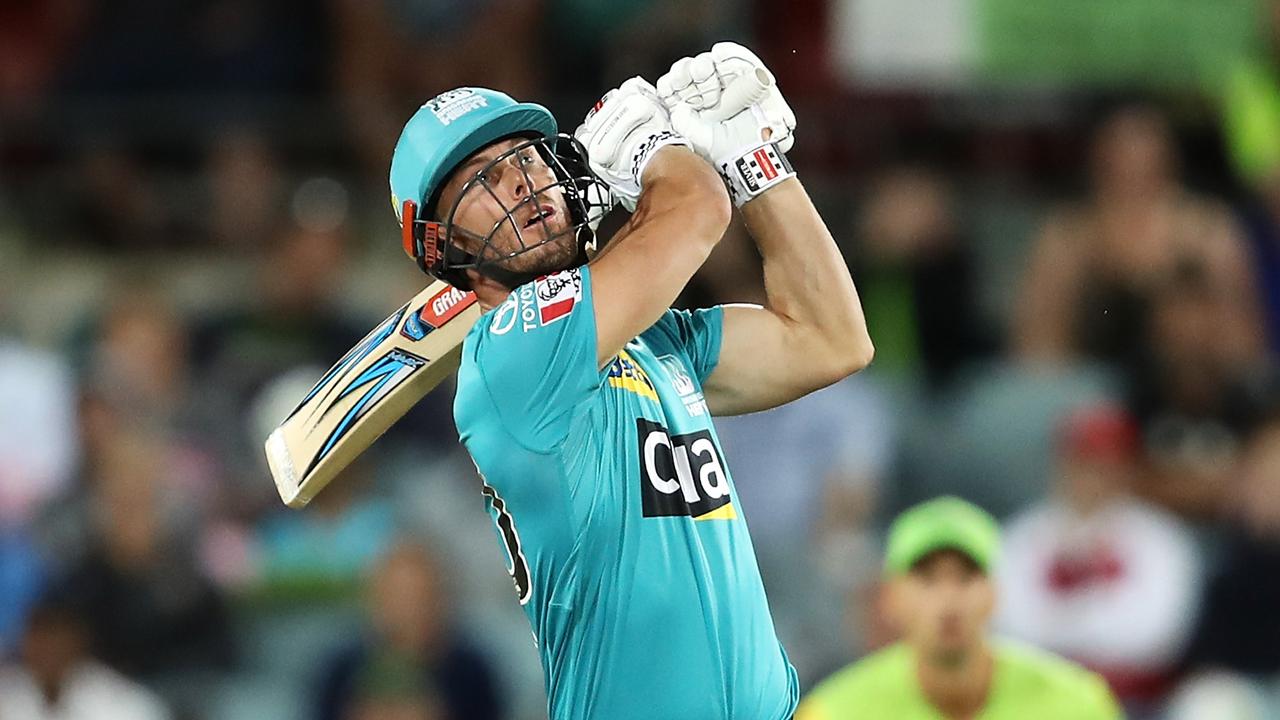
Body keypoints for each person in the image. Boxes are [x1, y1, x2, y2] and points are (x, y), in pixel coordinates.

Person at [386, 42, 872, 719]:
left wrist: (757, 165)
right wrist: (652, 149)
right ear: (441, 246)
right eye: (486, 180)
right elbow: (696, 211)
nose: (523, 182)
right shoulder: (509, 355)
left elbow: (831, 339)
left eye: (529, 159)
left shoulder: (654, 340)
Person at [797, 496, 1122, 720]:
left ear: (995, 593)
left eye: (966, 577)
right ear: (890, 597)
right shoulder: (834, 712)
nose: (948, 600)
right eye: (927, 579)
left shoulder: (1077, 704)